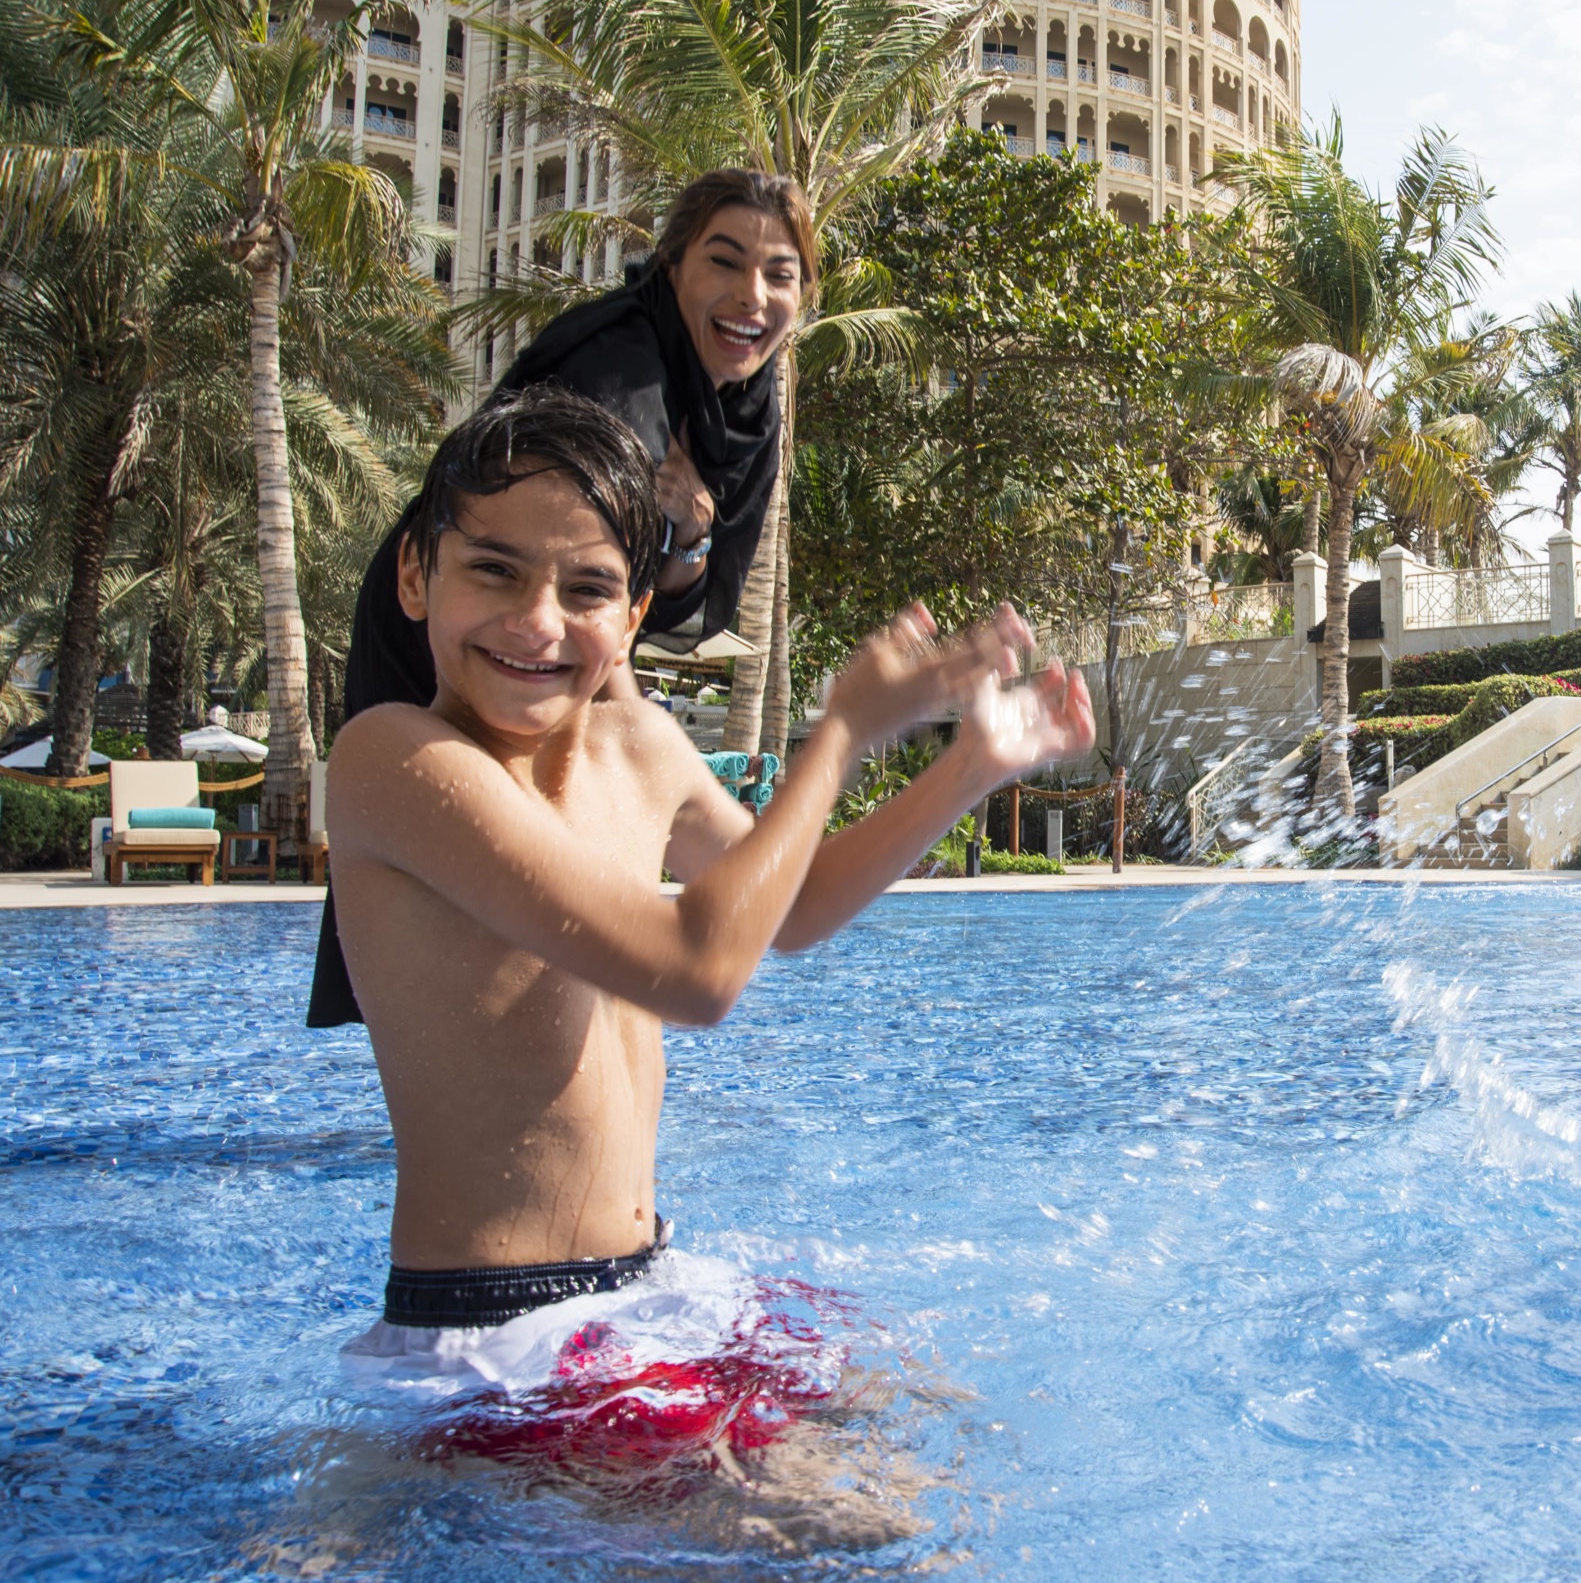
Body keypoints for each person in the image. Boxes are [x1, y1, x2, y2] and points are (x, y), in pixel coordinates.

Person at [327, 389, 1091, 1367]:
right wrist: (844, 732)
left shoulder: (640, 745)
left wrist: (967, 769)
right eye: (494, 571)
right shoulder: (392, 758)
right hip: (490, 1329)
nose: (537, 622)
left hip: (640, 1285)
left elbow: (793, 901)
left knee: (917, 1448)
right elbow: (699, 969)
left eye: (588, 589)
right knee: (843, 1510)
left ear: (637, 612)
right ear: (415, 574)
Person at [310, 168, 813, 1029]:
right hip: (454, 617)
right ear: (670, 265)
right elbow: (562, 572)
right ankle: (480, 1071)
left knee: (559, 866)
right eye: (723, 262)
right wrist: (636, 734)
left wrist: (688, 536)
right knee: (480, 862)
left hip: (572, 634)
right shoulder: (618, 366)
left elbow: (680, 604)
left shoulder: (748, 417)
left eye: (780, 273)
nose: (750, 295)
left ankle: (544, 1047)